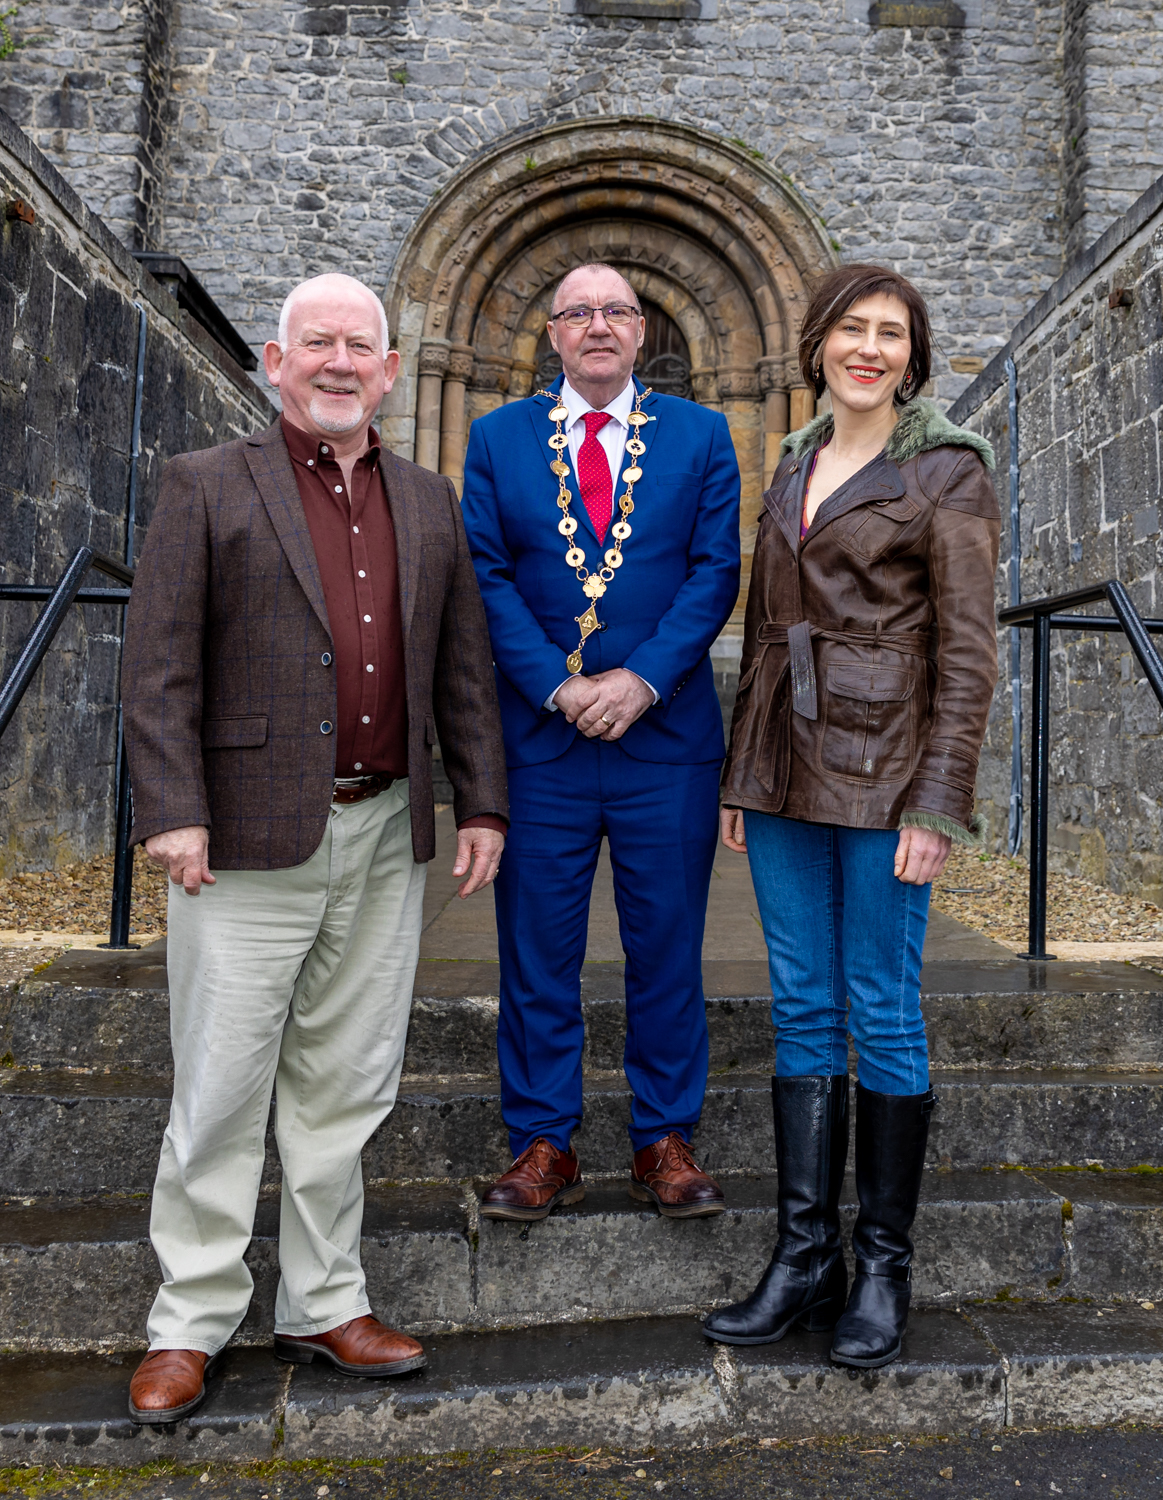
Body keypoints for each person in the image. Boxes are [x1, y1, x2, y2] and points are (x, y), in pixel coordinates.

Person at [120, 272, 509, 1420]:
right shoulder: (206, 483)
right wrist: (173, 806)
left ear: (391, 372)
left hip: (385, 831)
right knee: (224, 1082)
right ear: (275, 364)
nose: (340, 363)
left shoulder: (432, 503)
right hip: (241, 835)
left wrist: (482, 803)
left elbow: (464, 673)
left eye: (362, 346)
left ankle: (324, 1300)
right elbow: (158, 664)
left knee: (346, 1087)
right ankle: (189, 1319)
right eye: (317, 344)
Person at [702, 264, 999, 1369]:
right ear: (818, 343)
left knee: (880, 1006)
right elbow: (764, 630)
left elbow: (968, 654)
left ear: (913, 355)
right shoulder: (790, 462)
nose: (868, 349)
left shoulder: (950, 470)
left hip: (887, 773)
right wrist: (741, 774)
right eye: (851, 330)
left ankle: (882, 1266)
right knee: (801, 1007)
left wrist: (940, 799)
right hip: (782, 771)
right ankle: (803, 1256)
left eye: (891, 334)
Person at [458, 263, 742, 1224]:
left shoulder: (703, 437)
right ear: (551, 333)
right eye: (577, 312)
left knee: (668, 948)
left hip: (667, 741)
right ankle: (544, 1142)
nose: (597, 326)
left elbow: (715, 572)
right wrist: (557, 683)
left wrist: (641, 679)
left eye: (616, 310)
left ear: (642, 327)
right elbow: (485, 575)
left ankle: (665, 1138)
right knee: (537, 951)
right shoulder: (495, 439)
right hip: (542, 743)